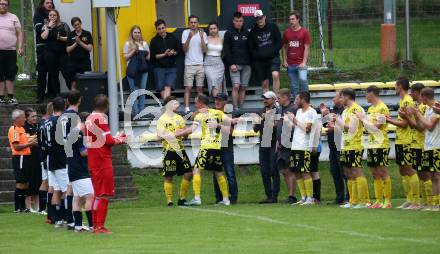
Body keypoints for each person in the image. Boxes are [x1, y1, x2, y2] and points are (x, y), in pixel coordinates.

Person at [183, 94, 237, 206]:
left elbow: (191, 130)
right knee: (219, 172)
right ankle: (226, 200)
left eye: (196, 102)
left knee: (197, 170)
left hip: (206, 146)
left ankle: (197, 198)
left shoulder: (200, 115)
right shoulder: (218, 113)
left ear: (201, 103)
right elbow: (232, 121)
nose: (195, 104)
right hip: (217, 147)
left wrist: (176, 134)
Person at [85, 94, 127, 234]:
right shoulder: (102, 118)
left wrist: (115, 138)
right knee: (104, 194)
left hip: (93, 160)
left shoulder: (89, 119)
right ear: (106, 106)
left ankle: (95, 225)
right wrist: (121, 139)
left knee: (97, 194)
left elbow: (97, 140)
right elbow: (108, 141)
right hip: (103, 160)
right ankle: (100, 226)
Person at [386, 77, 420, 210]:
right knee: (402, 169)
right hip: (401, 139)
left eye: (395, 85)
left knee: (409, 169)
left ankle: (415, 201)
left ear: (399, 86)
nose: (394, 87)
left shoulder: (407, 101)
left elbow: (405, 124)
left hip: (406, 140)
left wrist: (388, 120)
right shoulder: (403, 100)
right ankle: (409, 199)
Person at [358, 85, 392, 209]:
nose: (365, 96)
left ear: (372, 93)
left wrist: (363, 119)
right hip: (372, 144)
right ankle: (378, 200)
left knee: (383, 171)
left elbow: (375, 127)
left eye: (366, 93)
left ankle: (387, 201)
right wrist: (365, 122)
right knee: (374, 172)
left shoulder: (383, 108)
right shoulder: (371, 109)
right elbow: (368, 127)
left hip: (381, 144)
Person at [156, 96, 193, 206]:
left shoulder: (179, 118)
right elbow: (159, 137)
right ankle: (169, 201)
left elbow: (185, 136)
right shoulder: (162, 119)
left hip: (180, 150)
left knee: (188, 173)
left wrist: (185, 132)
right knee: (168, 176)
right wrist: (172, 135)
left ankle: (182, 198)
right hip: (169, 151)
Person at [337, 88, 369, 209]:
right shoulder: (346, 111)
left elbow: (352, 129)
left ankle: (364, 201)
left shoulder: (356, 109)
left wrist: (338, 121)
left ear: (346, 97)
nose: (340, 100)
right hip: (346, 145)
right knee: (349, 173)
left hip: (355, 145)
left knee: (357, 171)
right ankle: (353, 200)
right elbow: (344, 129)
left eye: (341, 97)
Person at [400, 83, 431, 209]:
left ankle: (430, 202)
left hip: (422, 143)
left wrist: (408, 116)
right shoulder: (417, 106)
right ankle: (424, 202)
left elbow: (420, 127)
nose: (410, 94)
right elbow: (414, 126)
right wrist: (407, 115)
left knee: (426, 173)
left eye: (412, 92)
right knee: (420, 172)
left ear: (418, 93)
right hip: (415, 143)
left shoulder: (423, 107)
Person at [286, 92, 318, 205]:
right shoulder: (299, 111)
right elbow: (299, 127)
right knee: (297, 172)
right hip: (295, 145)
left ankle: (310, 198)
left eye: (297, 99)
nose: (295, 101)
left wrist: (294, 120)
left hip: (304, 146)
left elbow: (307, 129)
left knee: (305, 172)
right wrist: (290, 122)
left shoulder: (311, 112)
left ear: (303, 100)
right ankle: (303, 197)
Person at [42, 97, 68, 227]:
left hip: (50, 159)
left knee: (56, 190)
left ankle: (56, 219)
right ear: (63, 107)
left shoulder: (47, 122)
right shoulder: (61, 122)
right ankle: (69, 218)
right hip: (60, 159)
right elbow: (64, 141)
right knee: (67, 190)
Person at [413, 87, 440, 211]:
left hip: (437, 146)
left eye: (421, 97)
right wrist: (414, 114)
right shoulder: (429, 109)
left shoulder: (436, 108)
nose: (420, 100)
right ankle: (434, 203)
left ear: (424, 97)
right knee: (433, 175)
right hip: (429, 146)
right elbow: (421, 126)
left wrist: (418, 113)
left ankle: (437, 203)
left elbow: (429, 126)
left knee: (437, 175)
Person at [68, 109, 94, 232]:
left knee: (77, 198)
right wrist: (95, 149)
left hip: (73, 170)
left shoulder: (73, 133)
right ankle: (92, 226)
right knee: (90, 196)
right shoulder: (79, 134)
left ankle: (78, 226)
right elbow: (83, 152)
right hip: (80, 171)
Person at [320, 92, 348, 204]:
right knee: (335, 172)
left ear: (341, 98)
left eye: (334, 97)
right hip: (332, 146)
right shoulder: (333, 110)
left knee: (345, 173)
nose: (332, 99)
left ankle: (349, 197)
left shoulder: (345, 111)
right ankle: (339, 197)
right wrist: (324, 115)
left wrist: (333, 127)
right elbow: (324, 125)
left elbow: (344, 127)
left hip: (341, 146)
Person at [253, 91, 280, 203]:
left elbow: (276, 126)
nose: (265, 100)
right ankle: (269, 196)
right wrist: (259, 120)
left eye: (267, 99)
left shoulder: (278, 111)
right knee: (264, 171)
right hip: (263, 143)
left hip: (273, 143)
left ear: (273, 100)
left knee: (274, 169)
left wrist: (267, 118)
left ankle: (274, 196)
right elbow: (255, 129)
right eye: (264, 98)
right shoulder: (260, 112)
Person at [8, 109, 37, 212]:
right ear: (17, 119)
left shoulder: (21, 129)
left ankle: (23, 207)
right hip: (20, 157)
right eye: (23, 117)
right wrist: (30, 144)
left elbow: (23, 142)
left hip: (25, 157)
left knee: (25, 182)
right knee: (21, 182)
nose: (25, 119)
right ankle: (18, 207)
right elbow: (16, 146)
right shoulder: (15, 129)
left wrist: (32, 140)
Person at [212, 93, 238, 204]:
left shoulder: (228, 114)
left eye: (219, 100)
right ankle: (220, 198)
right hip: (215, 146)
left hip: (226, 146)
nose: (217, 102)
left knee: (230, 173)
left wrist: (218, 126)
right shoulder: (211, 114)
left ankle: (233, 198)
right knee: (216, 174)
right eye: (216, 100)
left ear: (224, 102)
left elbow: (231, 132)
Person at [223, 11, 251, 111]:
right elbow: (226, 50)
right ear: (233, 21)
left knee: (243, 87)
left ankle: (241, 108)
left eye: (240, 21)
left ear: (243, 21)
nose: (238, 23)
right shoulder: (228, 33)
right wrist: (231, 64)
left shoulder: (247, 32)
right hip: (234, 65)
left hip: (246, 65)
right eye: (236, 21)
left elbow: (251, 47)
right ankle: (235, 108)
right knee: (236, 86)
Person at [248, 10, 282, 93]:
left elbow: (279, 42)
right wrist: (259, 55)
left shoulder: (273, 27)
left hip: (273, 57)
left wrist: (272, 51)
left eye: (261, 18)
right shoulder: (252, 31)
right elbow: (251, 48)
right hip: (260, 60)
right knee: (265, 83)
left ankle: (277, 100)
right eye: (257, 19)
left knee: (275, 75)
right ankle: (268, 103)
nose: (259, 20)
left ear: (264, 17)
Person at [40, 9, 70, 99]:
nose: (52, 17)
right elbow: (43, 37)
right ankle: (57, 94)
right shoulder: (45, 26)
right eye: (50, 15)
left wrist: (60, 38)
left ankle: (73, 93)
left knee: (67, 73)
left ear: (57, 16)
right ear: (48, 17)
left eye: (54, 15)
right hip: (50, 53)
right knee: (53, 74)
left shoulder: (64, 25)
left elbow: (70, 38)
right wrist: (49, 27)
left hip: (62, 53)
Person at [182, 15, 208, 113]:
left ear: (198, 23)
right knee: (188, 87)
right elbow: (184, 50)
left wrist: (201, 38)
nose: (193, 24)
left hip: (200, 64)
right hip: (189, 64)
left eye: (195, 22)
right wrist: (189, 38)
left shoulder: (203, 33)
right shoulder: (185, 33)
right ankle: (187, 109)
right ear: (189, 23)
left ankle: (200, 109)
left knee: (200, 88)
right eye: (191, 22)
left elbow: (205, 50)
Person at [275, 88, 297, 203]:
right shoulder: (280, 109)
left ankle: (292, 195)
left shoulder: (294, 108)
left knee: (290, 170)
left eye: (279, 98)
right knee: (284, 171)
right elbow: (279, 126)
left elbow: (297, 126)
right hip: (281, 144)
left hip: (290, 143)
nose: (277, 100)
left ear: (285, 97)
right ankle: (290, 195)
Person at [282, 11, 311, 99]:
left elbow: (307, 48)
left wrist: (304, 62)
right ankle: (296, 103)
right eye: (290, 19)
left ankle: (306, 101)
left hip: (300, 63)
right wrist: (284, 60)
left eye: (293, 19)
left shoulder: (304, 32)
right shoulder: (286, 32)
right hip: (290, 64)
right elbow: (283, 47)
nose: (291, 21)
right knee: (294, 86)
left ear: (298, 19)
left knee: (303, 80)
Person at [123, 25, 150, 117]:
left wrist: (143, 53)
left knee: (142, 91)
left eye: (139, 32)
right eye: (135, 32)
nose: (137, 34)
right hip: (132, 71)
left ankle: (141, 111)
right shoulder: (127, 44)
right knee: (133, 91)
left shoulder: (144, 44)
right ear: (131, 33)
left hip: (143, 71)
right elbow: (125, 58)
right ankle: (135, 111)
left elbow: (149, 57)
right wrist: (134, 50)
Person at [0, 0, 23, 104]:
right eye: (1, 4)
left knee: (10, 73)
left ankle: (11, 97)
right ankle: (0, 97)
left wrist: (20, 47)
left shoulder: (13, 17)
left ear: (8, 6)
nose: (3, 6)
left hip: (11, 50)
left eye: (5, 4)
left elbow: (20, 32)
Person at [150, 19, 179, 99]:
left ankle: (167, 109)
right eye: (159, 29)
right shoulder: (154, 41)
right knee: (161, 88)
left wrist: (173, 53)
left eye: (163, 28)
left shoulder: (173, 37)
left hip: (171, 67)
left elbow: (178, 51)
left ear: (165, 27)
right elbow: (153, 56)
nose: (161, 30)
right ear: (156, 29)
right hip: (159, 68)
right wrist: (164, 54)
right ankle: (167, 108)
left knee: (168, 86)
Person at [33, 0, 55, 103]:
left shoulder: (54, 15)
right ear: (42, 4)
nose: (49, 4)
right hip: (42, 47)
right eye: (47, 3)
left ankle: (51, 95)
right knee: (42, 72)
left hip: (53, 48)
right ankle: (40, 96)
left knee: (53, 72)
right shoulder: (38, 16)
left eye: (51, 3)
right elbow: (39, 30)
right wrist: (48, 26)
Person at [66, 17, 93, 91]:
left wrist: (80, 42)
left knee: (86, 84)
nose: (77, 26)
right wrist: (76, 43)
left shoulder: (87, 34)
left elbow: (89, 48)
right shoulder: (71, 34)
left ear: (81, 23)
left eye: (78, 24)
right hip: (73, 64)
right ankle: (73, 101)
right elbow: (68, 50)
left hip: (85, 63)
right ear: (73, 26)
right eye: (75, 25)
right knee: (73, 84)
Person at [24, 108, 42, 212]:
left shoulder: (37, 126)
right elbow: (29, 141)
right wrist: (35, 140)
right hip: (28, 157)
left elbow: (37, 140)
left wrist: (35, 140)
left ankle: (38, 207)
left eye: (36, 116)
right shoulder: (24, 127)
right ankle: (28, 206)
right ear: (27, 118)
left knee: (37, 181)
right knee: (29, 180)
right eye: (32, 116)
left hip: (37, 157)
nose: (35, 118)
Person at [37, 103, 52, 217]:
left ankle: (43, 208)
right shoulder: (45, 123)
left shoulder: (41, 123)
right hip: (45, 155)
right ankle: (42, 208)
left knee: (46, 181)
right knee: (45, 181)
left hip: (43, 154)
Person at [204, 22, 225, 97]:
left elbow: (224, 52)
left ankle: (219, 104)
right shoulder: (206, 38)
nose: (213, 30)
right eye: (211, 29)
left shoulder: (221, 39)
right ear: (209, 30)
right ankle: (217, 101)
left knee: (218, 84)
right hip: (208, 62)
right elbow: (203, 50)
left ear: (217, 29)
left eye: (214, 28)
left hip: (219, 63)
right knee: (212, 80)